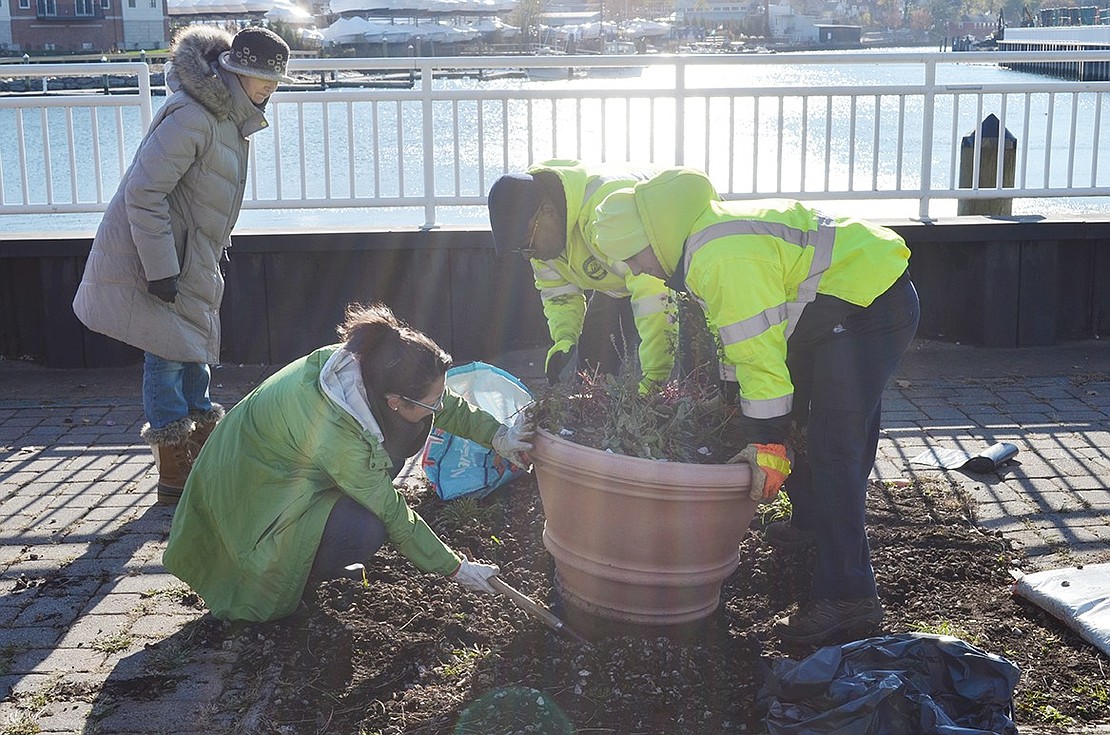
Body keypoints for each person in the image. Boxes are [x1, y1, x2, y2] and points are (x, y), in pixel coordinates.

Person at [594, 169, 920, 646]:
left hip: (870, 305)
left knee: (833, 449)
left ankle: (850, 595)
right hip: (839, 304)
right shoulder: (705, 238)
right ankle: (812, 524)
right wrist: (745, 415)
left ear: (651, 238)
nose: (637, 271)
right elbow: (746, 340)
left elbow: (760, 361)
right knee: (811, 434)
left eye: (631, 258)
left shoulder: (717, 256)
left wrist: (764, 438)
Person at [162, 302, 533, 623]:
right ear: (394, 402)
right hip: (246, 505)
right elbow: (393, 513)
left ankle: (307, 550)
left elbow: (444, 403)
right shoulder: (337, 427)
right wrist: (456, 568)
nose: (438, 407)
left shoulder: (369, 367)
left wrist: (499, 437)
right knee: (365, 529)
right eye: (429, 403)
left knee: (380, 466)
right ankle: (291, 571)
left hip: (272, 473)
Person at [72, 25, 294, 504]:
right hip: (159, 257)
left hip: (190, 256)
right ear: (234, 70)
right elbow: (144, 192)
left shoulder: (231, 117)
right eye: (261, 78)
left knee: (193, 352)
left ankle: (201, 451)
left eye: (275, 81)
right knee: (167, 354)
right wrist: (161, 269)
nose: (269, 88)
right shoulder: (194, 116)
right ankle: (174, 467)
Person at [487, 159, 693, 391]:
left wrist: (654, 380)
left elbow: (654, 296)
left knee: (696, 367)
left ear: (548, 211)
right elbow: (559, 294)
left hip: (682, 257)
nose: (528, 256)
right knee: (589, 374)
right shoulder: (542, 244)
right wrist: (565, 339)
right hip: (617, 276)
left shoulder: (605, 215)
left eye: (527, 244)